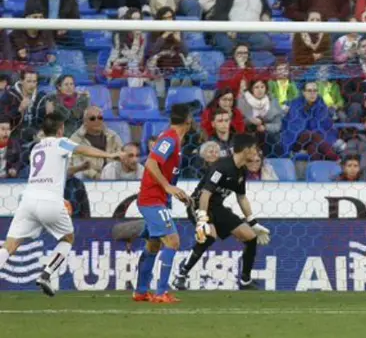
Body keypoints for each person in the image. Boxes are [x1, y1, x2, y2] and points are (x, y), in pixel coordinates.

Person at [0, 113, 125, 297]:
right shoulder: (61, 143)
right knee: (68, 239)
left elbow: (55, 172)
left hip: (27, 201)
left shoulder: (37, 148)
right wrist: (110, 154)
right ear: (60, 130)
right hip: (50, 201)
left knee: (9, 246)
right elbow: (82, 148)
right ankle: (46, 274)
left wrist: (79, 169)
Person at [174, 133, 271, 290]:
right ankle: (182, 274)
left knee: (251, 237)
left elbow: (241, 197)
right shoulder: (221, 167)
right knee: (209, 236)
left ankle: (245, 280)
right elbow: (205, 194)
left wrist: (252, 222)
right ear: (245, 150)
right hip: (199, 205)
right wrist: (202, 219)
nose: (256, 152)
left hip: (217, 207)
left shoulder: (241, 171)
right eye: (254, 149)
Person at [133, 104, 193, 304]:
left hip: (158, 200)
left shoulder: (174, 140)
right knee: (173, 242)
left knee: (153, 244)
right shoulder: (169, 139)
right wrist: (167, 187)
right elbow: (151, 162)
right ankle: (160, 293)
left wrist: (174, 192)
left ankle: (141, 291)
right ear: (189, 120)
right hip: (152, 199)